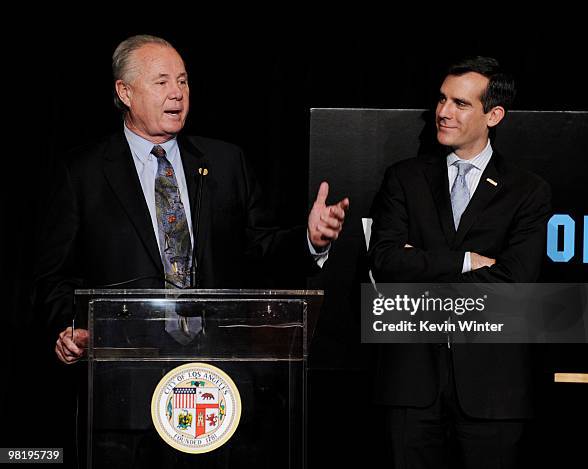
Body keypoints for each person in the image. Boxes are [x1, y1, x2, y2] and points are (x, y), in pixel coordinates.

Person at [34, 35, 348, 365]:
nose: (177, 93)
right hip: (123, 363)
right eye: (162, 81)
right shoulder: (82, 172)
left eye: (183, 81)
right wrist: (73, 328)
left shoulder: (226, 163)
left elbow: (261, 248)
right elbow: (52, 278)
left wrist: (310, 240)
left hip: (218, 361)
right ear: (125, 92)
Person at [368, 57, 551, 468]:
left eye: (461, 103)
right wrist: (466, 261)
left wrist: (422, 266)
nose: (443, 112)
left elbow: (514, 282)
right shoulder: (404, 178)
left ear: (494, 114)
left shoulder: (527, 191)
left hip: (493, 388)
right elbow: (385, 262)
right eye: (442, 99)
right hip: (411, 386)